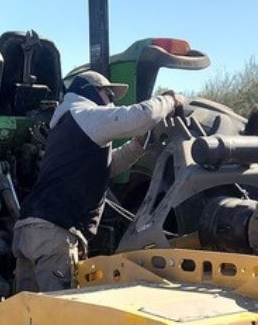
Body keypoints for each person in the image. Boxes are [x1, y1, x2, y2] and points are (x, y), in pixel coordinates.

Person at [12, 70, 188, 292]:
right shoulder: (83, 113)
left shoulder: (68, 124)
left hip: (31, 229)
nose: (112, 101)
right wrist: (170, 100)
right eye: (109, 94)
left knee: (25, 308)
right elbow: (141, 116)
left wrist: (137, 145)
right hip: (55, 234)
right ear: (90, 92)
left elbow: (106, 168)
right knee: (58, 308)